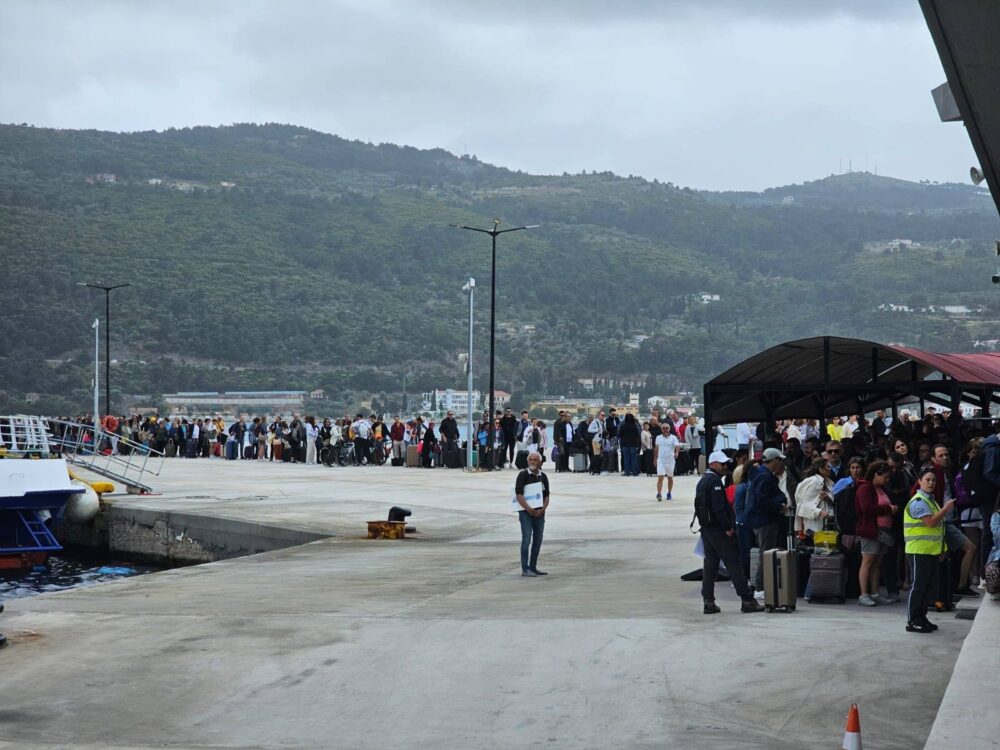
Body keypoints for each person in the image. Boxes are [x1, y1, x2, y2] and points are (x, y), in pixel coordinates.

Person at [697, 450, 765, 614]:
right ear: (713, 464)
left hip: (707, 530)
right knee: (734, 564)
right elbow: (719, 508)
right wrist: (727, 527)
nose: (725, 466)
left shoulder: (703, 481)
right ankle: (747, 600)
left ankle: (708, 601)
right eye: (722, 464)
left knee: (710, 566)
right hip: (719, 531)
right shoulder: (715, 482)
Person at [904, 469, 955, 633]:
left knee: (928, 586)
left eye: (933, 480)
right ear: (920, 481)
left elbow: (939, 529)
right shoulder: (919, 501)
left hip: (930, 551)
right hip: (918, 550)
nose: (931, 483)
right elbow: (931, 523)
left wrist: (942, 549)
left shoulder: (931, 501)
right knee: (918, 586)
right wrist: (946, 509)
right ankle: (913, 620)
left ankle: (922, 617)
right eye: (928, 480)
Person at [746, 447, 788, 594]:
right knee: (767, 554)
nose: (781, 463)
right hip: (765, 521)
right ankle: (760, 587)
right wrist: (779, 506)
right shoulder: (765, 477)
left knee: (765, 553)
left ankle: (760, 586)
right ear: (774, 460)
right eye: (780, 460)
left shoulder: (759, 475)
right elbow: (762, 500)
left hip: (759, 520)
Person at [854, 461, 898, 606]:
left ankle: (874, 593)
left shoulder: (880, 488)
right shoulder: (865, 488)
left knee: (877, 563)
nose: (887, 480)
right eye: (885, 476)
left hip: (882, 531)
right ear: (876, 474)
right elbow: (867, 509)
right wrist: (888, 509)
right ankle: (864, 594)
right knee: (867, 561)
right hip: (870, 530)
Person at [514, 452, 550, 577]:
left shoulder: (543, 476)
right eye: (530, 459)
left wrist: (543, 509)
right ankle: (525, 568)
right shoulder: (523, 475)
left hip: (539, 513)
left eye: (535, 460)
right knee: (526, 538)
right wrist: (529, 509)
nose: (532, 462)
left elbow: (547, 496)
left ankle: (533, 567)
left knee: (538, 539)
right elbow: (519, 495)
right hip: (526, 512)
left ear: (540, 462)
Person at [654, 422, 680, 501]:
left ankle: (669, 493)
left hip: (670, 460)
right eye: (663, 428)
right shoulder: (658, 437)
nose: (665, 430)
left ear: (669, 429)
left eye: (667, 428)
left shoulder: (673, 437)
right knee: (660, 477)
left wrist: (677, 452)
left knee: (670, 477)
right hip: (661, 460)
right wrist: (655, 459)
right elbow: (656, 448)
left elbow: (677, 446)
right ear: (661, 429)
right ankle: (659, 494)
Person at [618, 413, 642, 477]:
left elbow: (619, 435)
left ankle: (627, 472)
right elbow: (638, 435)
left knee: (626, 458)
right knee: (633, 458)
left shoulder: (623, 426)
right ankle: (635, 472)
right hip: (633, 444)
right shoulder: (634, 426)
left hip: (624, 444)